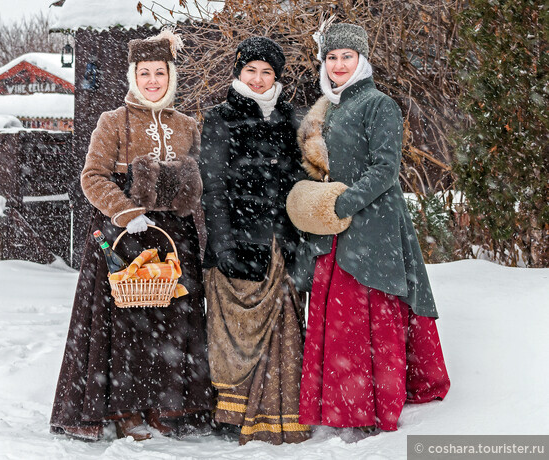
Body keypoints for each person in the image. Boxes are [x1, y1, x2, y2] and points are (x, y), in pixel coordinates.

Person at [286, 21, 451, 433]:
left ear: (361, 60)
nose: (339, 65)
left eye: (347, 57)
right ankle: (340, 405)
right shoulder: (331, 106)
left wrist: (344, 202)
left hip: (372, 223)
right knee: (339, 320)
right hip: (335, 228)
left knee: (364, 315)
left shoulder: (379, 104)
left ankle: (367, 408)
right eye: (332, 57)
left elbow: (385, 169)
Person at [50, 30, 213, 442]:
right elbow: (92, 177)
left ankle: (165, 405)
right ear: (133, 75)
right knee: (125, 326)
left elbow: (200, 186)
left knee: (171, 324)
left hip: (173, 239)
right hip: (124, 238)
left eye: (160, 72)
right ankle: (124, 409)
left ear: (171, 76)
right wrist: (125, 211)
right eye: (145, 73)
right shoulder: (112, 122)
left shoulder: (188, 126)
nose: (153, 80)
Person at [199, 36, 311, 445]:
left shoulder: (293, 120)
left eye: (267, 72)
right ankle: (233, 418)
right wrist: (225, 245)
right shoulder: (219, 117)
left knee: (283, 335)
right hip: (237, 244)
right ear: (238, 72)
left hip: (282, 244)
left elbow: (302, 184)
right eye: (252, 70)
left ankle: (278, 414)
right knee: (234, 337)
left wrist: (301, 242)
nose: (260, 79)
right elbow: (212, 188)